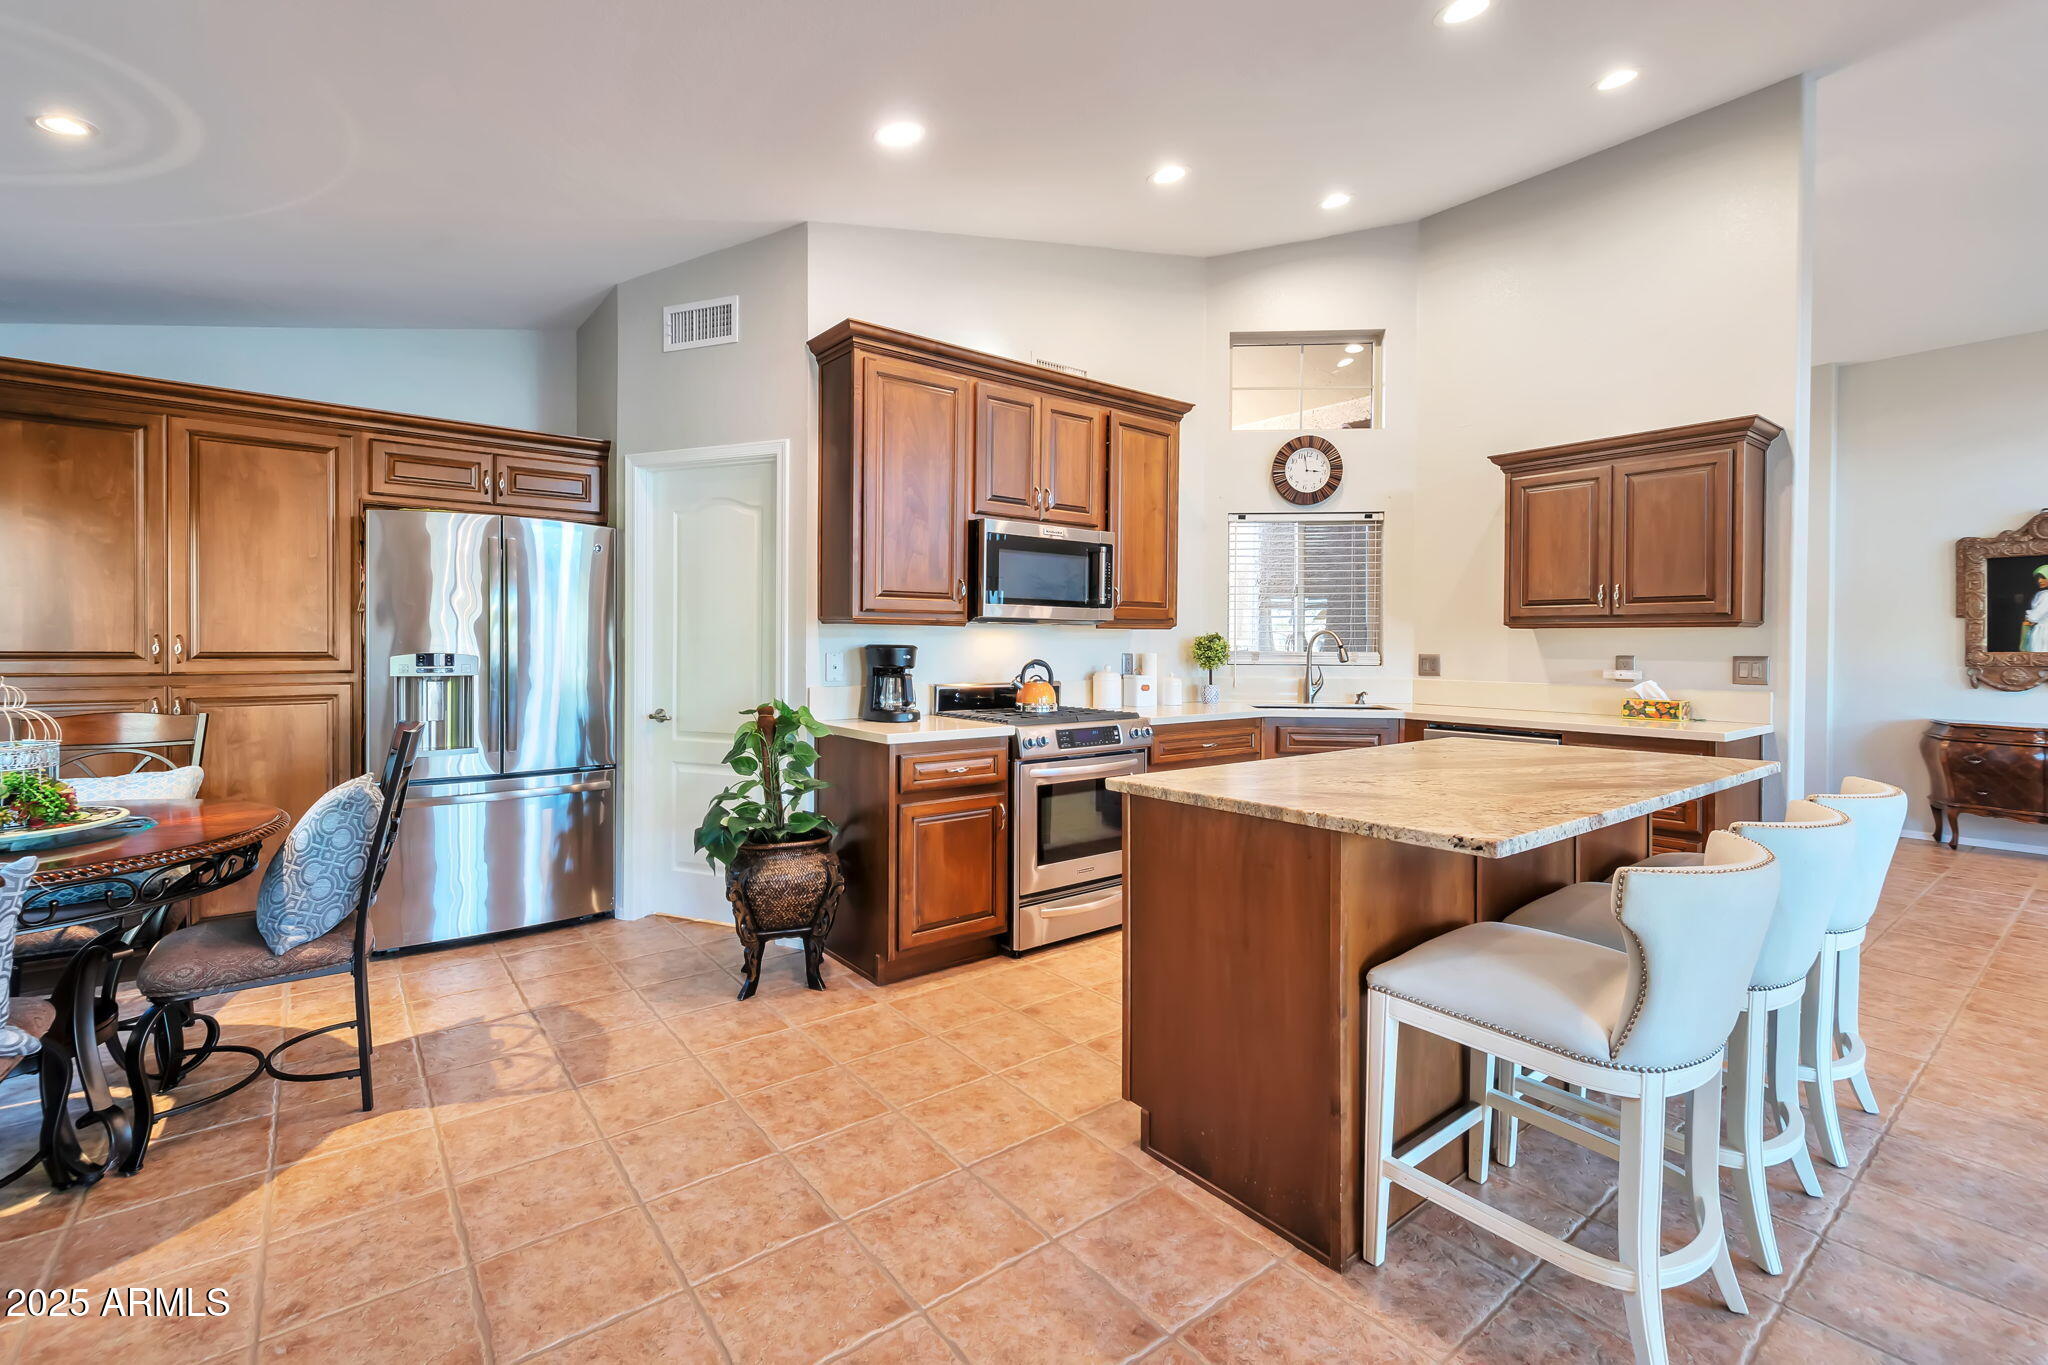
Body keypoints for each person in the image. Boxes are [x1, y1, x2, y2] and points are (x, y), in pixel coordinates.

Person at [2025, 565, 2048, 652]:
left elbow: (2034, 617)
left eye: (2043, 577)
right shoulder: (2040, 594)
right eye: (2038, 578)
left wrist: (2028, 618)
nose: (2039, 581)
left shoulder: (2046, 595)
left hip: (2043, 632)